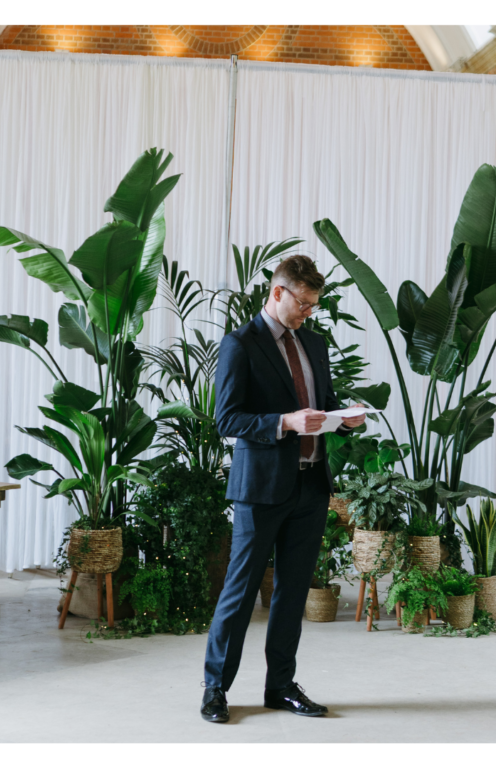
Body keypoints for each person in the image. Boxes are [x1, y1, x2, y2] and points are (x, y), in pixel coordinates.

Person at [200, 255, 366, 723]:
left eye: (314, 305)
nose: (309, 313)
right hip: (260, 490)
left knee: (292, 594)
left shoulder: (314, 343)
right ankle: (215, 688)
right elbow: (227, 420)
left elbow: (324, 406)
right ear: (277, 293)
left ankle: (280, 686)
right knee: (239, 593)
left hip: (311, 487)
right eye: (304, 304)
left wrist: (344, 419)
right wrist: (283, 423)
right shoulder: (240, 344)